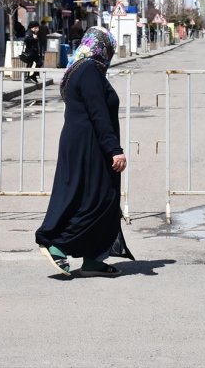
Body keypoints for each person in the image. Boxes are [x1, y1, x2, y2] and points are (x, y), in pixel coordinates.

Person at [36, 26, 135, 277]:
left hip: (82, 142)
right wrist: (115, 150)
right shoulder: (90, 70)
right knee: (98, 200)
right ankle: (56, 243)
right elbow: (98, 113)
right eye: (109, 48)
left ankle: (94, 258)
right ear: (102, 48)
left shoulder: (78, 68)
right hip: (91, 145)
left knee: (93, 197)